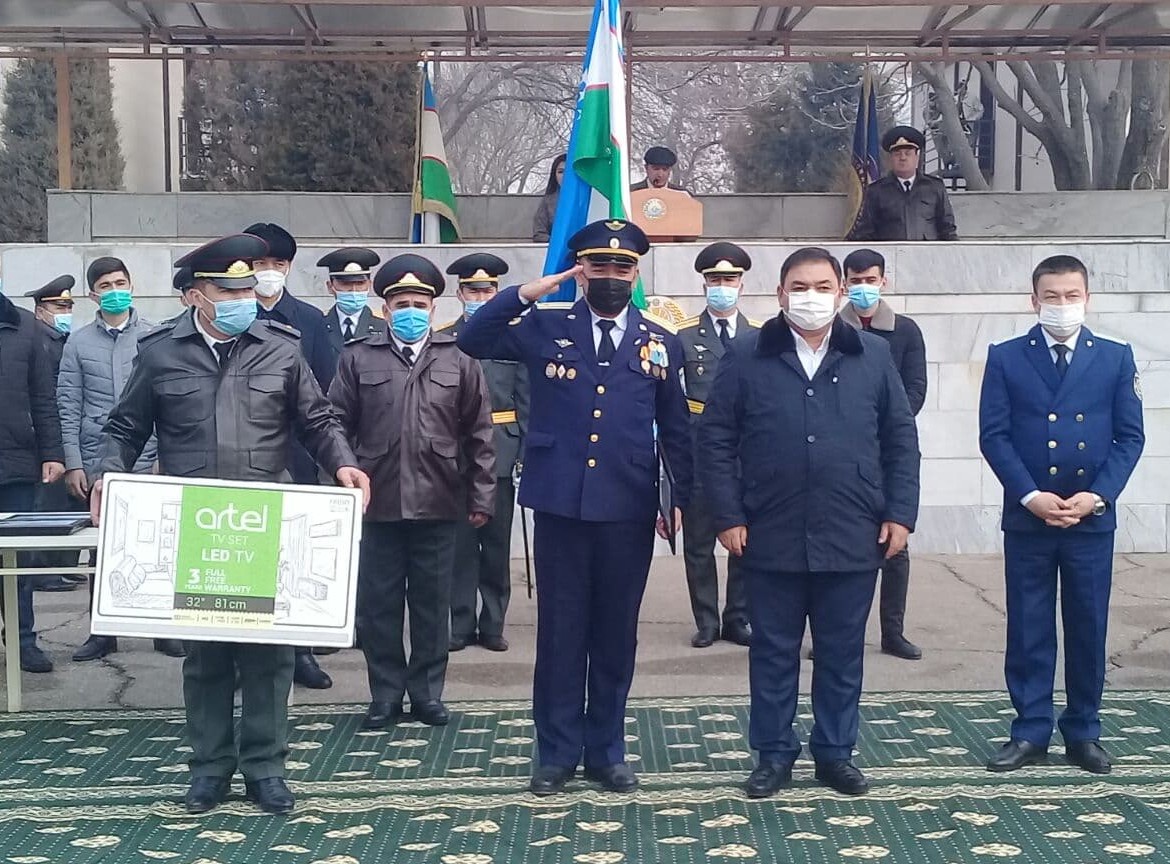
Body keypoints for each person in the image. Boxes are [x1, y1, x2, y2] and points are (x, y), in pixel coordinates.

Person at [90, 234, 370, 816]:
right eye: (230, 291)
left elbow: (317, 420)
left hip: (265, 523)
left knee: (269, 656)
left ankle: (266, 768)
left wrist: (343, 461)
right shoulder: (161, 353)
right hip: (197, 526)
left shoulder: (281, 349)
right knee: (208, 657)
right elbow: (124, 429)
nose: (245, 299)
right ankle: (210, 768)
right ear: (197, 295)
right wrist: (106, 476)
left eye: (248, 289)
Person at [457, 219, 693, 797]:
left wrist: (679, 498)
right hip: (561, 504)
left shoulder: (662, 341)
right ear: (581, 270)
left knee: (615, 635)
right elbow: (473, 339)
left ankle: (607, 752)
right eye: (598, 266)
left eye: (622, 267)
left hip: (628, 506)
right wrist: (529, 291)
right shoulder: (545, 325)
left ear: (635, 273)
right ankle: (557, 753)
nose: (610, 276)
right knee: (562, 635)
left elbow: (676, 430)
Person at [698, 247, 920, 799]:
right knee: (773, 653)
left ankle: (835, 753)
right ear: (779, 294)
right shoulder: (747, 354)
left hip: (853, 529)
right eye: (799, 287)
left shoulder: (872, 354)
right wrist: (727, 514)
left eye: (823, 287)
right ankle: (773, 754)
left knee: (842, 653)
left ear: (840, 293)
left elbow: (899, 439)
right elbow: (716, 439)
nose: (811, 298)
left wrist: (900, 513)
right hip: (768, 530)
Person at [979, 255, 1144, 776]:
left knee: (1087, 625)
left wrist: (1099, 496)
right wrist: (1029, 495)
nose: (1062, 305)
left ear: (1087, 298)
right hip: (1030, 517)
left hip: (1089, 518)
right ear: (1034, 300)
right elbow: (994, 435)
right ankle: (1030, 730)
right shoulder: (1006, 357)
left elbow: (1130, 437)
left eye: (1072, 296)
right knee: (1028, 626)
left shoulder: (1115, 357)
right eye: (1051, 296)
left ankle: (1083, 731)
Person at [329, 253, 495, 730]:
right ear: (385, 309)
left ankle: (426, 693)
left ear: (434, 308)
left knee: (431, 605)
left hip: (439, 499)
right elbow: (334, 422)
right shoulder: (358, 357)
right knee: (378, 606)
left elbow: (480, 434)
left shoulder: (460, 358)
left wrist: (481, 497)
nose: (411, 312)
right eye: (401, 304)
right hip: (376, 501)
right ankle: (384, 694)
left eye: (419, 305)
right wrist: (342, 475)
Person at [58, 257, 185, 662]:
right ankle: (102, 632)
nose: (115, 291)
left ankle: (162, 629)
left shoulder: (155, 337)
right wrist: (74, 462)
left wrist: (164, 457)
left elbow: (169, 405)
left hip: (148, 456)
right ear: (92, 294)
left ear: (132, 286)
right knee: (103, 548)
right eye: (106, 285)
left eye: (120, 282)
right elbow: (68, 405)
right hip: (98, 457)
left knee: (159, 547)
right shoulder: (78, 342)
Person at [244, 222, 337, 689]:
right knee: (247, 559)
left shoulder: (310, 320)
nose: (267, 272)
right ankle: (242, 658)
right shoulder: (232, 314)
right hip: (243, 455)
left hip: (295, 456)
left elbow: (324, 390)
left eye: (276, 264)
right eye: (259, 264)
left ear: (289, 267)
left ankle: (300, 652)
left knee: (294, 560)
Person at [839, 248, 928, 661]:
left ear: (883, 281)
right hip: (843, 450)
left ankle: (893, 632)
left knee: (895, 545)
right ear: (845, 284)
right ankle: (836, 634)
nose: (863, 288)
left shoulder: (905, 331)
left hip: (888, 450)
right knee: (839, 547)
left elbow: (915, 389)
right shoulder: (832, 327)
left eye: (870, 280)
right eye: (855, 281)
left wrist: (885, 424)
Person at [439, 253, 529, 653]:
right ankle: (460, 623)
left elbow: (526, 398)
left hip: (501, 448)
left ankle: (493, 624)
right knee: (460, 545)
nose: (481, 297)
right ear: (460, 294)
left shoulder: (512, 337)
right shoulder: (445, 338)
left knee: (495, 544)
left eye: (488, 290)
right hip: (456, 450)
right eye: (473, 291)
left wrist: (525, 449)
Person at [677, 242, 759, 649]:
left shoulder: (760, 335)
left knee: (745, 541)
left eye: (729, 279)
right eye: (715, 280)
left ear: (741, 285)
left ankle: (738, 618)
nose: (722, 287)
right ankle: (707, 620)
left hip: (747, 453)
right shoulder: (683, 336)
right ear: (704, 285)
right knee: (699, 542)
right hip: (699, 449)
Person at [0, 285, 65, 672]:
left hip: (14, 464)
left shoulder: (25, 327)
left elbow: (44, 397)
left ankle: (22, 639)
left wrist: (53, 453)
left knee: (16, 563)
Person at [25, 276, 82, 593]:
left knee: (63, 504)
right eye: (59, 307)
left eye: (68, 306)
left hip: (60, 431)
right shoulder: (39, 341)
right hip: (43, 435)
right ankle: (42, 571)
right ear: (40, 310)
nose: (65, 312)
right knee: (44, 505)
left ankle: (60, 566)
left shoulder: (62, 340)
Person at [848, 125, 959, 242]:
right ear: (891, 159)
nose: (903, 158)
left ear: (916, 158)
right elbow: (865, 233)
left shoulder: (935, 187)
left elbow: (948, 230)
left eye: (908, 153)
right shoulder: (876, 191)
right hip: (889, 253)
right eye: (897, 154)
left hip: (927, 253)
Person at [320, 247, 381, 358]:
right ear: (330, 286)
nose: (353, 290)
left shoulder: (384, 328)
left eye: (360, 283)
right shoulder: (318, 327)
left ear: (369, 285)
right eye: (345, 284)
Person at [532, 154, 566, 243]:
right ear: (554, 175)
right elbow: (539, 234)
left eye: (569, 172)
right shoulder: (548, 201)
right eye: (560, 172)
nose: (565, 176)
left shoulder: (587, 200)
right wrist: (557, 242)